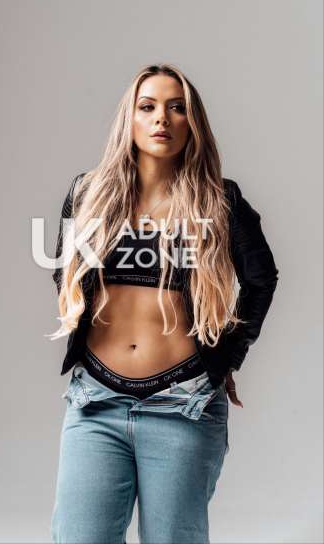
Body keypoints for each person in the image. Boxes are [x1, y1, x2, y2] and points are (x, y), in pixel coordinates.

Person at [46, 63, 279, 543]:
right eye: (148, 107)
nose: (162, 119)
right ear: (129, 119)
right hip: (96, 401)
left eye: (177, 108)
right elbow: (63, 272)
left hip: (183, 402)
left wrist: (227, 357)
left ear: (193, 122)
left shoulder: (220, 202)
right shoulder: (87, 194)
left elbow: (261, 279)